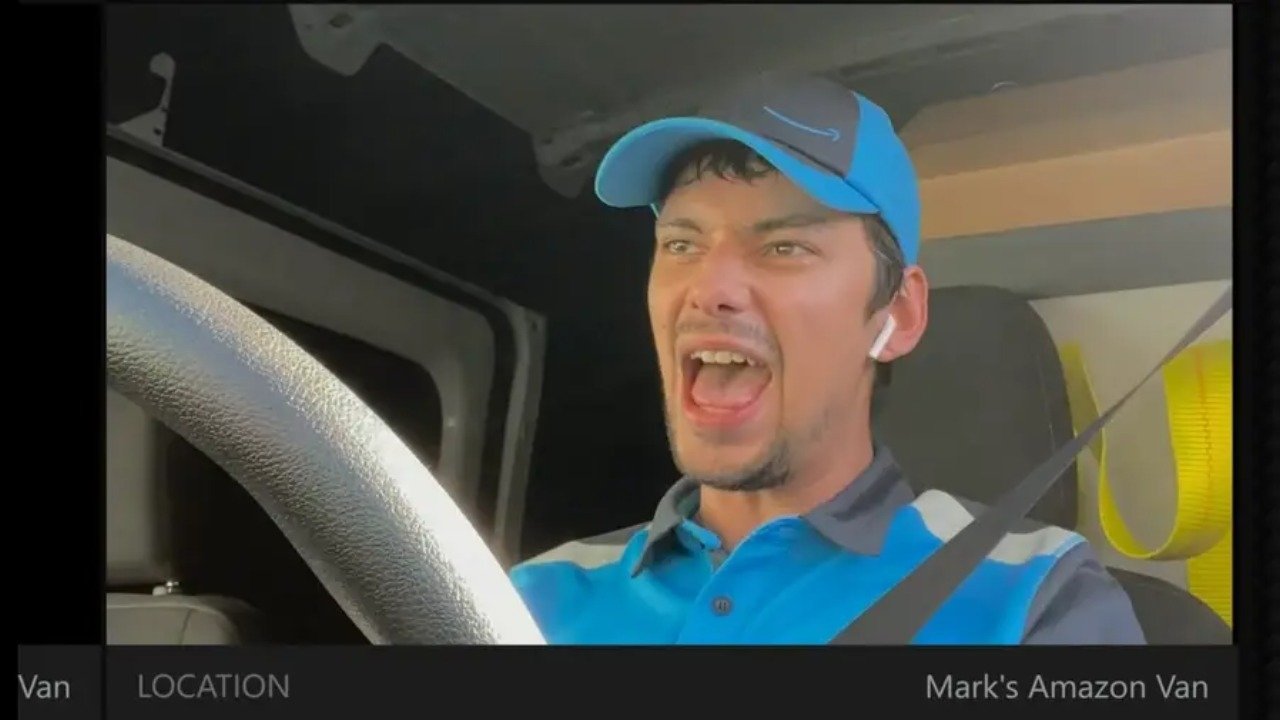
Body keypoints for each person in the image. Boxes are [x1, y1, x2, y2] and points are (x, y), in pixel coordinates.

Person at [509, 73, 1145, 645]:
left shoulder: (1033, 595)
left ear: (896, 315)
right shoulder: (529, 596)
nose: (708, 289)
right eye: (681, 243)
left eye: (784, 248)